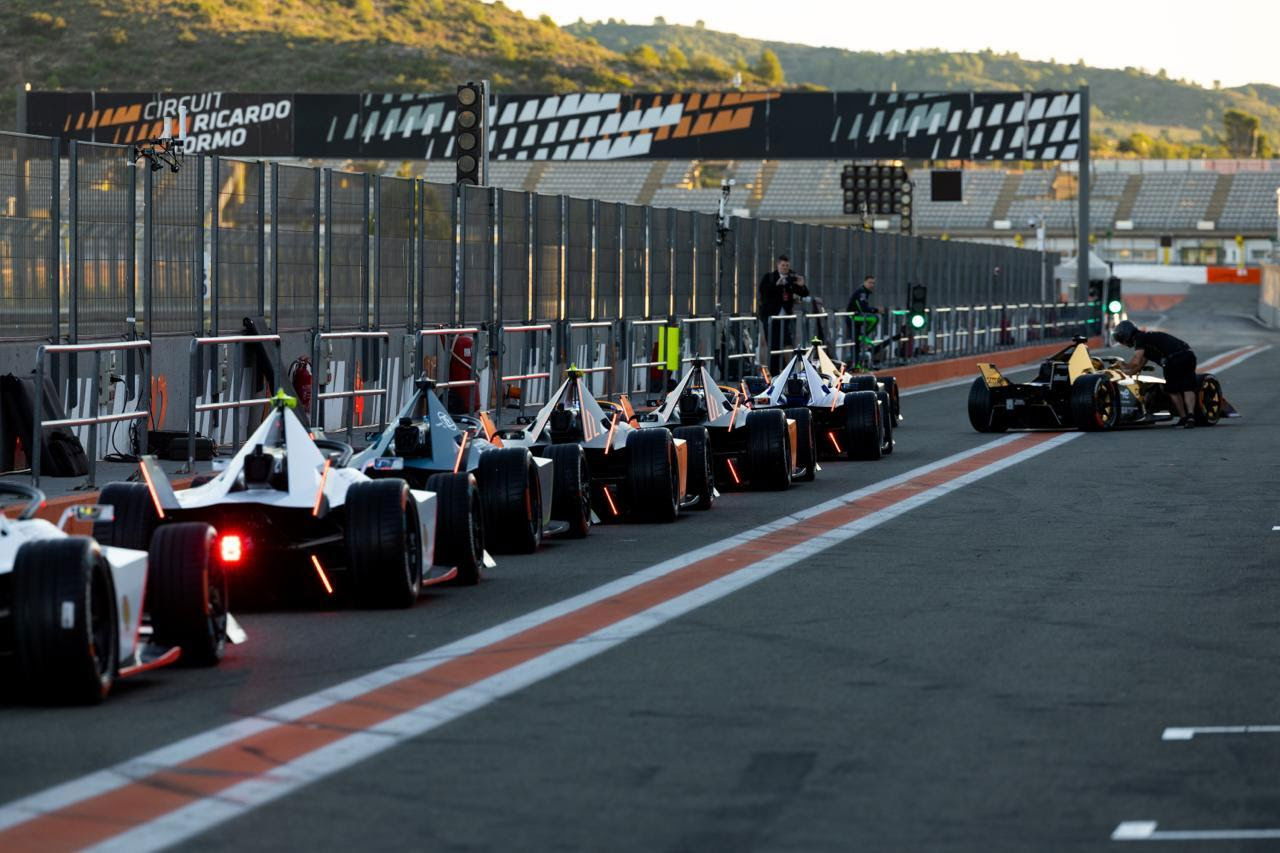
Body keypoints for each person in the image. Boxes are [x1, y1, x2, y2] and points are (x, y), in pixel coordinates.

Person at [1112, 320, 1199, 428]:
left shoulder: (1139, 338)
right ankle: (1190, 417)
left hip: (1173, 360)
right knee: (1187, 387)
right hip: (1188, 355)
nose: (1123, 343)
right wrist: (1124, 374)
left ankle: (1183, 417)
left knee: (1172, 390)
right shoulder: (1147, 340)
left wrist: (1122, 365)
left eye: (1121, 340)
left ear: (1126, 335)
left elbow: (1135, 361)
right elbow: (1138, 367)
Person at [757, 255, 808, 373]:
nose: (785, 268)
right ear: (778, 265)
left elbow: (804, 293)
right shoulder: (770, 278)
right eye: (783, 265)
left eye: (787, 266)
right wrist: (777, 285)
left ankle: (786, 369)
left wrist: (802, 285)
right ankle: (774, 371)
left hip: (785, 317)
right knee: (774, 344)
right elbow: (763, 292)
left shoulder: (791, 278)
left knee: (787, 344)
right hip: (771, 316)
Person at [846, 275, 882, 366]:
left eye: (873, 283)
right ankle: (863, 335)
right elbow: (863, 308)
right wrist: (876, 310)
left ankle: (857, 364)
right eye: (870, 282)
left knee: (856, 344)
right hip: (853, 317)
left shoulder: (865, 292)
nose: (872, 285)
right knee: (874, 319)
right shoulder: (861, 292)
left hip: (857, 317)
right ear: (864, 282)